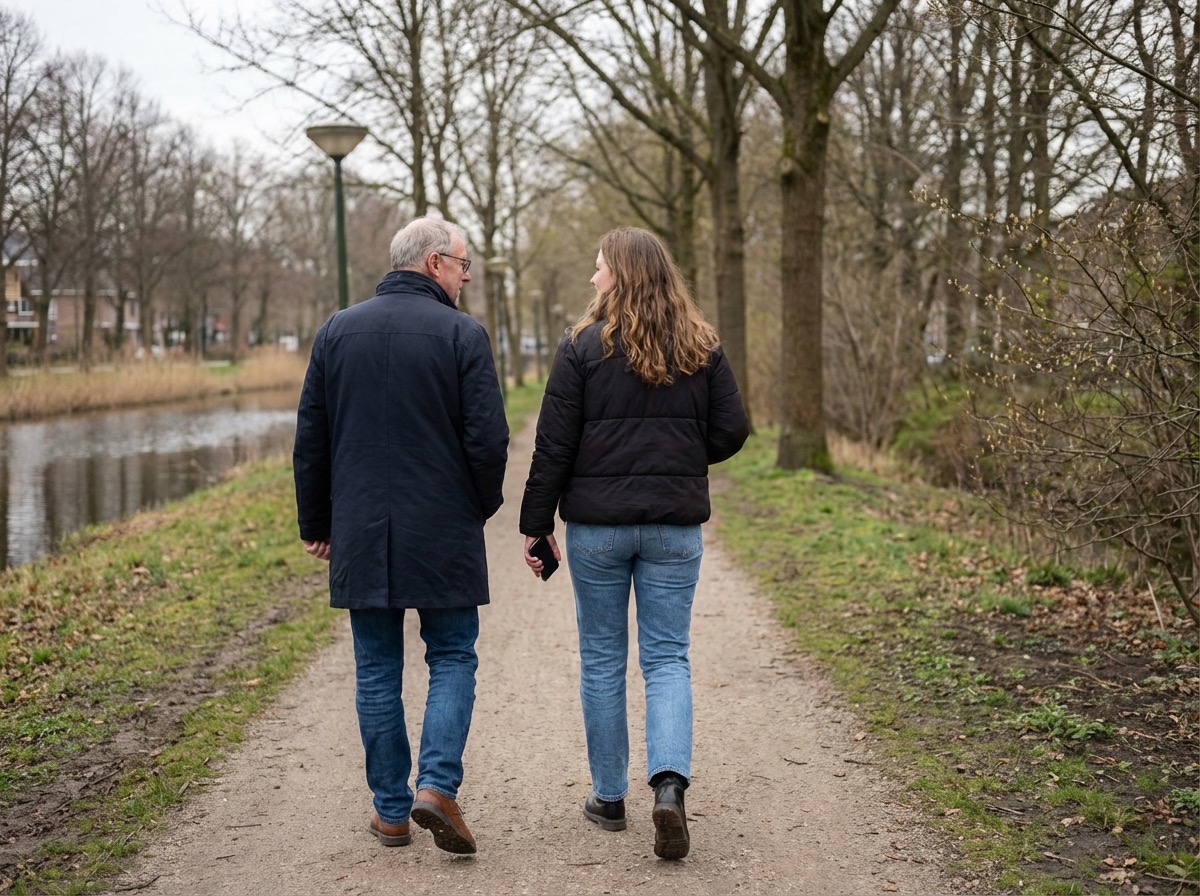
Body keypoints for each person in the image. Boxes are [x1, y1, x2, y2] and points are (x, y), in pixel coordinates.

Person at [518, 226, 750, 860]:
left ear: (619, 275)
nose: (593, 278)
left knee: (601, 659)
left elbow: (554, 445)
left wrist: (536, 524)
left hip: (598, 528)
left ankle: (610, 797)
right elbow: (732, 430)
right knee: (668, 657)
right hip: (675, 527)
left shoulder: (581, 348)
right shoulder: (702, 347)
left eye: (599, 267)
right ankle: (669, 789)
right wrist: (679, 455)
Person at [293, 216, 509, 855]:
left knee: (376, 667)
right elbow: (488, 440)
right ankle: (436, 788)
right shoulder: (463, 335)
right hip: (442, 524)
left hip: (360, 526)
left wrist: (318, 522)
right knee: (452, 655)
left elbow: (312, 437)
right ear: (435, 263)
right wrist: (479, 506)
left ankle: (390, 811)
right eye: (463, 264)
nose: (466, 277)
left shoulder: (337, 330)